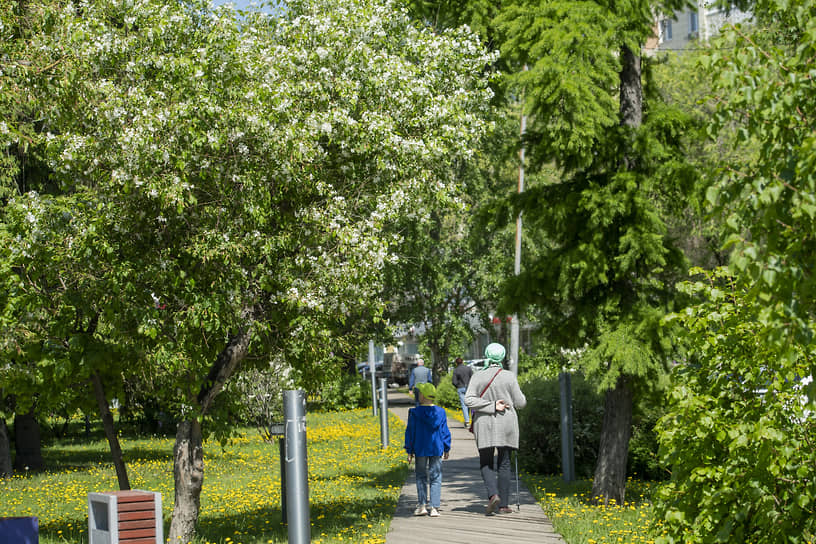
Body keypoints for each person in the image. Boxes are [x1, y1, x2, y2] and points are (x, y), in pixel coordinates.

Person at [465, 342, 526, 515]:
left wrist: (489, 405)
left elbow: (469, 400)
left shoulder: (478, 376)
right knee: (504, 463)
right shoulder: (509, 376)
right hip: (506, 423)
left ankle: (493, 495)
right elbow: (521, 403)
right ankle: (504, 505)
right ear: (502, 357)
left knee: (486, 461)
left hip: (484, 423)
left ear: (486, 355)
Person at [404, 382, 451, 518]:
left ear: (423, 396)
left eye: (419, 393)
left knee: (421, 476)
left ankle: (422, 506)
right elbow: (444, 431)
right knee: (436, 476)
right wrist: (447, 447)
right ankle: (435, 508)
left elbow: (410, 432)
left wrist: (409, 450)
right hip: (436, 448)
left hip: (420, 448)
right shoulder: (440, 412)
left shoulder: (414, 412)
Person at [451, 357, 473, 427]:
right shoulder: (468, 368)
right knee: (470, 404)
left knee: (464, 405)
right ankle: (472, 420)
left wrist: (457, 386)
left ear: (456, 363)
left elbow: (454, 381)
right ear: (463, 362)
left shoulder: (456, 370)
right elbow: (472, 377)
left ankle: (467, 422)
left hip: (461, 387)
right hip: (469, 387)